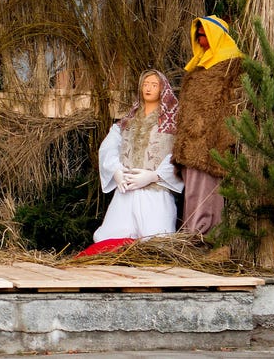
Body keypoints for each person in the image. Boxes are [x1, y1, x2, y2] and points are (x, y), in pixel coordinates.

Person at [81, 70, 182, 254]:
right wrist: (116, 171)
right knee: (109, 241)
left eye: (154, 84)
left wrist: (155, 175)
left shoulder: (173, 124)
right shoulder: (127, 122)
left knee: (158, 243)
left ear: (162, 89)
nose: (148, 88)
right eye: (145, 84)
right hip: (126, 192)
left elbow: (179, 152)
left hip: (155, 194)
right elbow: (108, 146)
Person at [172, 16, 245, 236]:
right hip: (191, 140)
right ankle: (192, 233)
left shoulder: (233, 65)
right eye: (198, 34)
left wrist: (225, 138)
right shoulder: (199, 66)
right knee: (193, 189)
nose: (199, 38)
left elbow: (237, 104)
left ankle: (204, 234)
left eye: (204, 34)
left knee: (207, 190)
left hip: (211, 142)